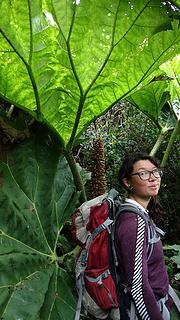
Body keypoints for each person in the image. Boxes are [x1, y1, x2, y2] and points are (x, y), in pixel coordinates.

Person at [114, 152, 177, 320]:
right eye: (143, 173)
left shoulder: (139, 214)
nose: (153, 178)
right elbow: (137, 286)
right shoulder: (133, 223)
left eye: (155, 171)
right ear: (127, 182)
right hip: (148, 310)